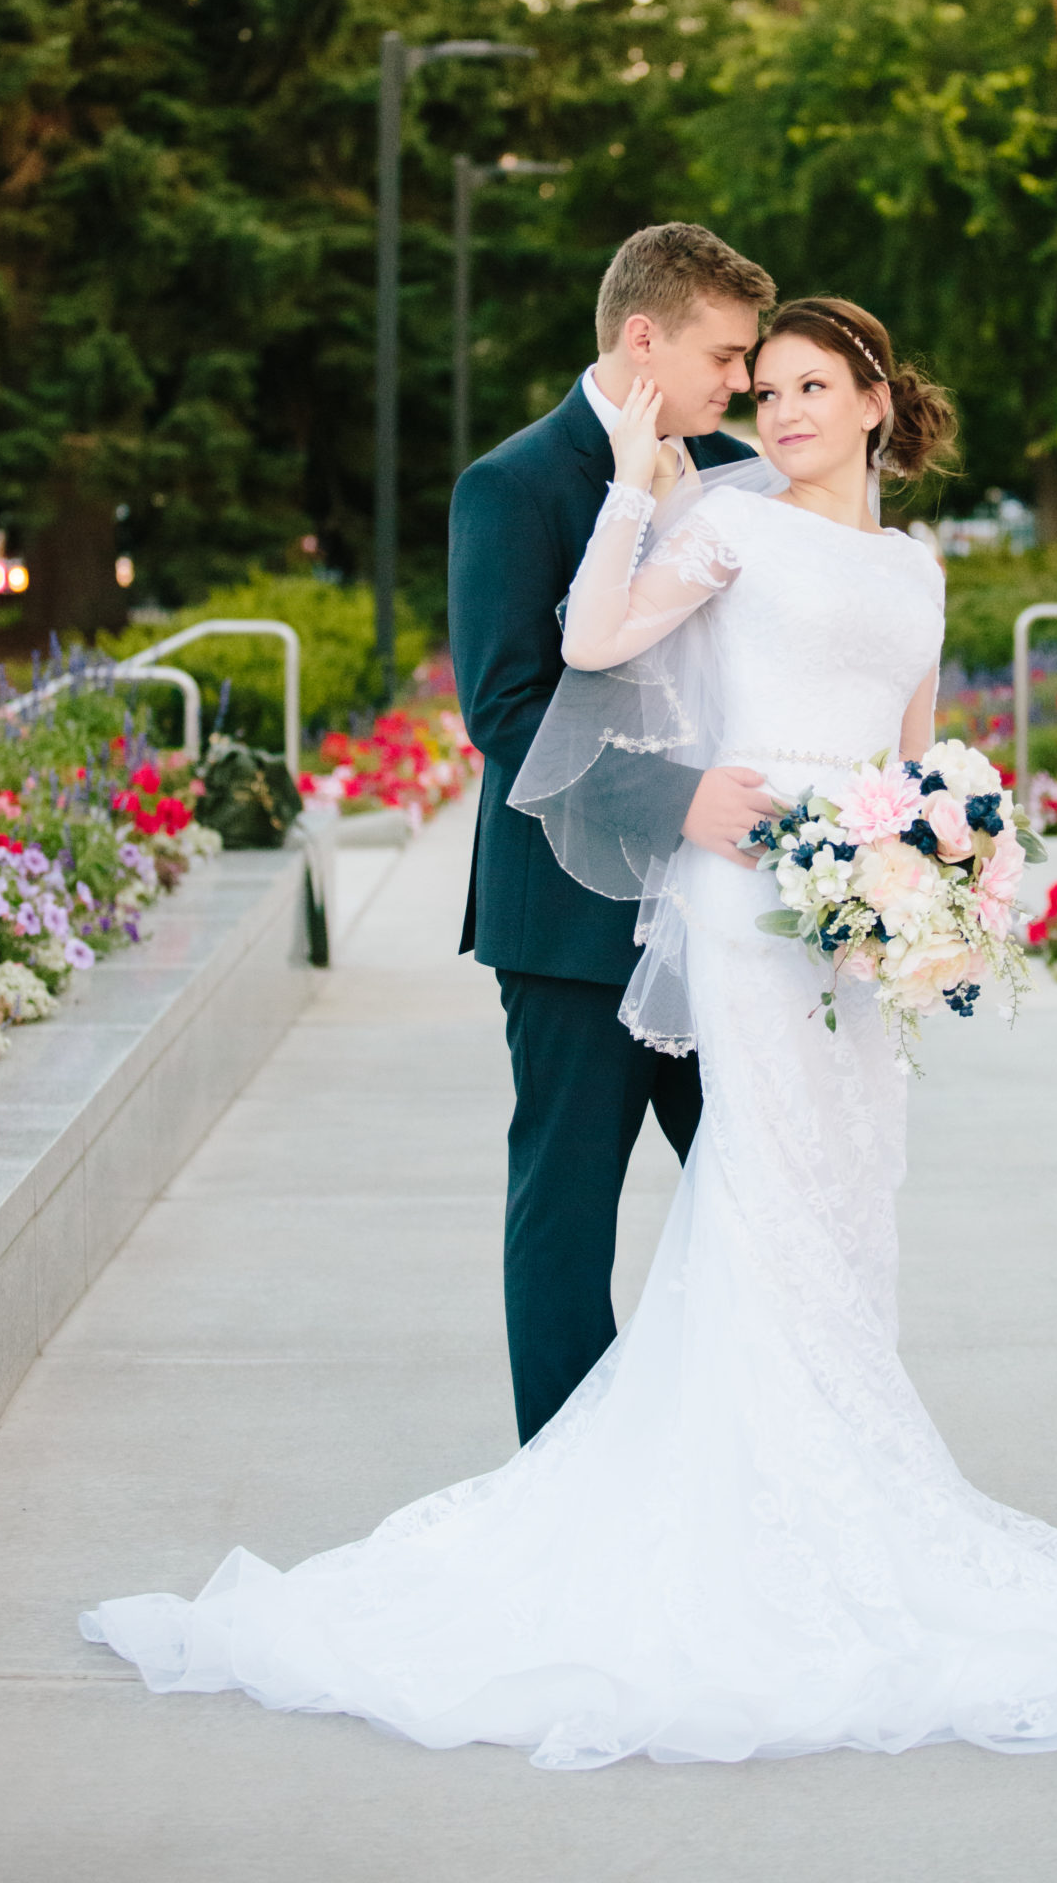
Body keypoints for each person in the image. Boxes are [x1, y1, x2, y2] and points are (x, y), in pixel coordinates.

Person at [82, 293, 1057, 1766]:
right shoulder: (715, 519)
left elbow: (912, 757)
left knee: (834, 1196)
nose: (770, 409)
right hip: (722, 899)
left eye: (802, 385)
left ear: (875, 400)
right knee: (711, 1193)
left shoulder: (912, 570)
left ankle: (823, 1485)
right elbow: (565, 658)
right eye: (755, 381)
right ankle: (637, 1503)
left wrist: (949, 874)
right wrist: (638, 496)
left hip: (848, 925)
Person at [449, 220, 775, 1443]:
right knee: (567, 1216)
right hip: (569, 930)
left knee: (758, 1195)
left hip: (716, 921)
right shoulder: (515, 484)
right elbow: (507, 710)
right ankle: (567, 1494)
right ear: (644, 338)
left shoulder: (739, 469)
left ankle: (742, 1459)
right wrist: (681, 799)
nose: (740, 383)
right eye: (725, 354)